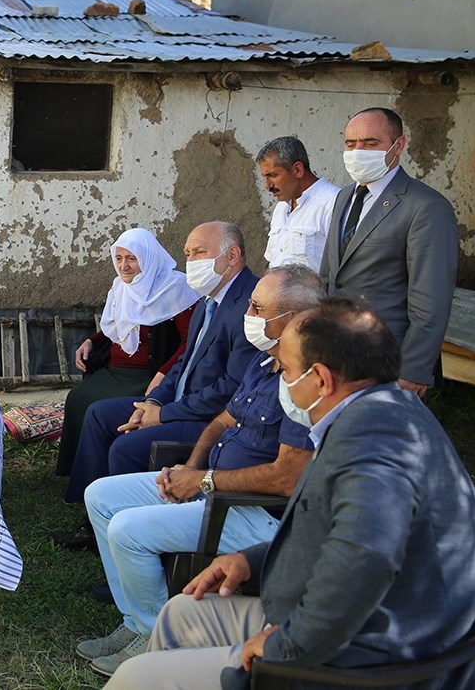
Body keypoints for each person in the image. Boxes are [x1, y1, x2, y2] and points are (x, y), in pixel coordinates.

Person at [106, 294, 475, 690]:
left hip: (370, 656)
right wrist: (253, 561)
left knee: (134, 677)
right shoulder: (383, 410)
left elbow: (367, 557)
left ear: (320, 378)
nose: (279, 380)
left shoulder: (373, 442)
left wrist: (287, 643)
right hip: (340, 621)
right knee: (181, 612)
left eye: (283, 369)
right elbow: (339, 529)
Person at [76, 264, 322, 677]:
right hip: (212, 486)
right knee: (100, 496)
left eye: (258, 308)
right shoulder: (266, 362)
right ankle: (135, 621)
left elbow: (287, 478)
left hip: (252, 512)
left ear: (293, 318)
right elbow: (225, 419)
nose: (248, 313)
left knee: (127, 531)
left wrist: (204, 481)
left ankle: (153, 639)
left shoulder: (307, 383)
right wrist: (189, 467)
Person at [58, 221, 261, 518]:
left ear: (232, 256)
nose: (190, 262)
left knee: (124, 447)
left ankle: (128, 527)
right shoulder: (209, 300)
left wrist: (163, 414)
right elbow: (184, 361)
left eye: (199, 252)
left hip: (209, 417)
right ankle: (91, 510)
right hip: (177, 401)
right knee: (100, 414)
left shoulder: (249, 304)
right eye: (187, 254)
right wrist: (152, 402)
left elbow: (231, 387)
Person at [319, 107, 458, 398]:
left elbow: (431, 300)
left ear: (399, 146)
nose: (358, 151)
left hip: (386, 359)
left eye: (370, 143)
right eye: (350, 144)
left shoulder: (426, 207)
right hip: (334, 350)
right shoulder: (344, 196)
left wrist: (413, 369)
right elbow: (330, 275)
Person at [55, 228, 199, 477]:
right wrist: (91, 341)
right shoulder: (120, 287)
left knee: (99, 406)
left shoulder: (176, 290)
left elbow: (191, 340)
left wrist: (164, 374)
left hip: (148, 374)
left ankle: (99, 475)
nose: (124, 266)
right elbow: (119, 326)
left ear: (149, 258)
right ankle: (77, 469)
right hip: (115, 368)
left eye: (132, 259)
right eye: (119, 258)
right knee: (78, 396)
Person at [255, 136, 339, 272]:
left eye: (273, 175)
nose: (267, 185)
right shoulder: (281, 208)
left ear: (298, 170)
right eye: (265, 177)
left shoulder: (332, 203)